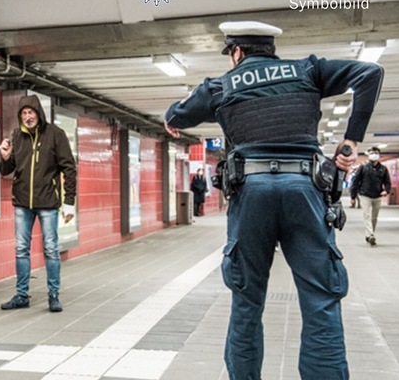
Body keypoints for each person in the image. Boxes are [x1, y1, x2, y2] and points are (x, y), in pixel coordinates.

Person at [164, 21, 383, 380]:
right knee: (321, 301)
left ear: (236, 52)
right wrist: (352, 140)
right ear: (270, 49)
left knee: (247, 303)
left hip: (250, 194)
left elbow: (176, 115)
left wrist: (175, 118)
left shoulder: (221, 85)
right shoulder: (307, 70)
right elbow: (370, 73)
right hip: (305, 191)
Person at [0, 94, 77, 313]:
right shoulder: (17, 136)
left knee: (51, 249)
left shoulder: (55, 135)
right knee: (21, 248)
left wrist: (69, 202)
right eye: (23, 113)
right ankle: (22, 295)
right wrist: (4, 158)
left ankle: (53, 294)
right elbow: (8, 170)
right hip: (22, 202)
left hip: (48, 202)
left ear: (38, 114)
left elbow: (69, 168)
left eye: (30, 112)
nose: (27, 116)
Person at [349, 146, 391, 246]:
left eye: (376, 153)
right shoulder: (363, 167)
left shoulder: (383, 169)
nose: (374, 155)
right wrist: (353, 196)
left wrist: (387, 191)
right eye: (372, 153)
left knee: (374, 217)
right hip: (365, 195)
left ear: (379, 155)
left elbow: (387, 182)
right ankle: (371, 234)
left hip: (377, 195)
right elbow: (355, 182)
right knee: (367, 215)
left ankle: (369, 234)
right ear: (369, 155)